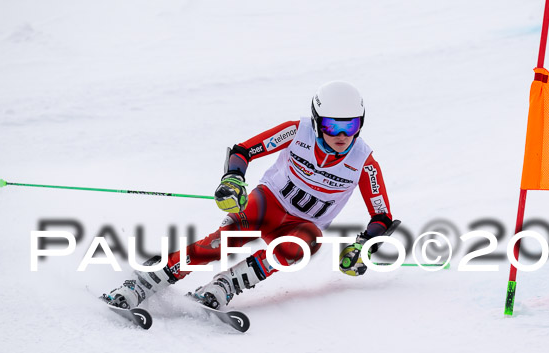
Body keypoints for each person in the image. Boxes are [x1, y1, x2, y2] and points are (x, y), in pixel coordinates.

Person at [103, 81, 394, 311]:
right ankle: (143, 283)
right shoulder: (296, 132)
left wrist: (364, 246)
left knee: (304, 244)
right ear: (318, 121)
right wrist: (233, 179)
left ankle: (226, 286)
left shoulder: (363, 162)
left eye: (351, 126)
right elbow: (244, 150)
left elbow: (381, 215)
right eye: (333, 125)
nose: (342, 135)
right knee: (223, 241)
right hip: (268, 204)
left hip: (299, 227)